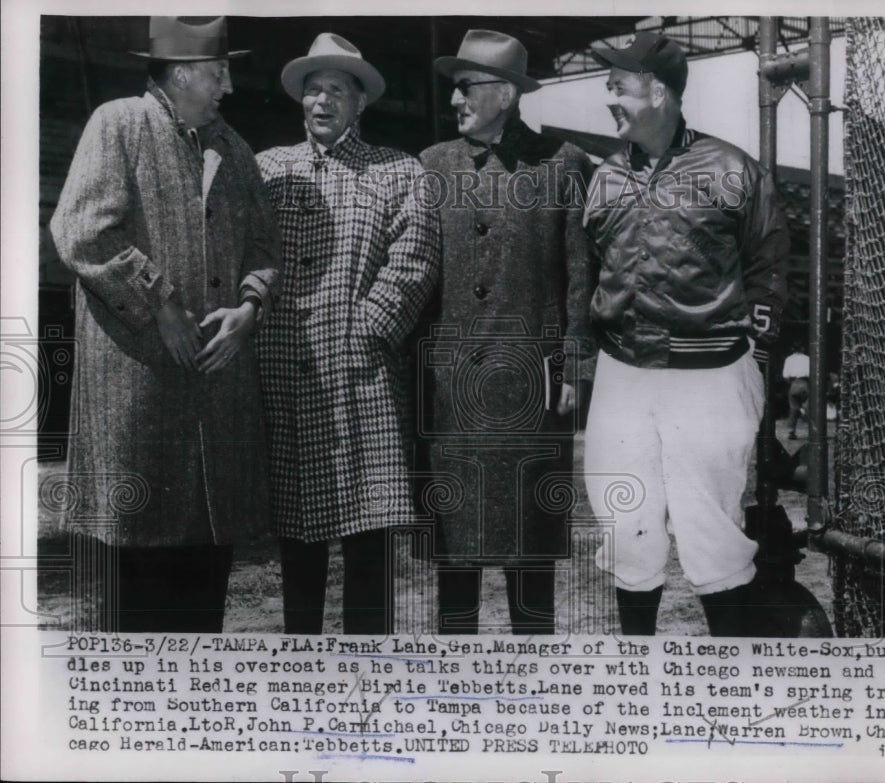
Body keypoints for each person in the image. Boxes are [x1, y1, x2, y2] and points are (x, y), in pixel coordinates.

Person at [49, 16, 281, 632]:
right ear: (181, 73)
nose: (228, 83)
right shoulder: (119, 122)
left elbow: (264, 249)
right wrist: (161, 304)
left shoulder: (233, 149)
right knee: (137, 572)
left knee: (205, 574)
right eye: (219, 70)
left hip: (215, 386)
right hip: (139, 381)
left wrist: (249, 310)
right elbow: (81, 230)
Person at [582, 33, 789, 636]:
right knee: (626, 527)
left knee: (712, 531)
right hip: (623, 372)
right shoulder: (604, 176)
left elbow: (769, 270)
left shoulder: (731, 169)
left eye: (618, 85)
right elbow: (590, 269)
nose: (608, 97)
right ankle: (637, 677)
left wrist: (751, 349)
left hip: (709, 375)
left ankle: (728, 682)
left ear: (659, 91)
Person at [255, 34, 441, 635]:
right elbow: (245, 253)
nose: (322, 102)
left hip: (362, 376)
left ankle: (371, 673)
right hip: (283, 372)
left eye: (336, 90)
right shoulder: (267, 169)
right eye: (312, 91)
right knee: (297, 541)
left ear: (361, 103)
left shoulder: (398, 171)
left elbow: (414, 260)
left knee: (370, 536)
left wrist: (367, 330)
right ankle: (304, 669)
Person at [418, 30, 597, 635]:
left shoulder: (564, 164)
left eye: (466, 89)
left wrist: (574, 366)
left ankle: (533, 674)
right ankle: (455, 680)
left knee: (530, 549)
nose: (455, 103)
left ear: (504, 93)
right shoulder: (432, 164)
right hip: (452, 390)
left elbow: (580, 274)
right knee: (454, 551)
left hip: (531, 387)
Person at [782, 345, 810, 439]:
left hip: (794, 384)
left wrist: (791, 383)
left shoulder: (789, 359)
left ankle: (791, 431)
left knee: (793, 408)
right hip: (806, 383)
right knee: (809, 406)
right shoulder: (807, 358)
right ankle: (812, 430)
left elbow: (785, 375)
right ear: (803, 349)